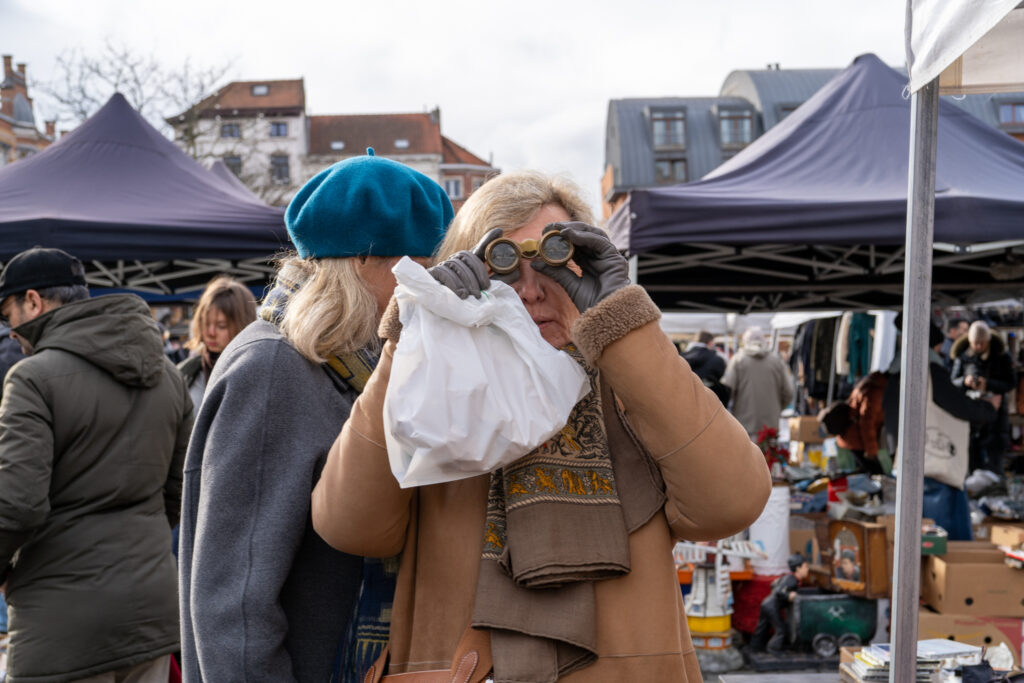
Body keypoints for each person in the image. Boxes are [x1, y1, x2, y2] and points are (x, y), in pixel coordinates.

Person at [311, 170, 771, 682]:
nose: (530, 292)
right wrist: (415, 334)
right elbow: (350, 525)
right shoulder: (440, 397)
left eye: (555, 261)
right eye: (502, 267)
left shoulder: (631, 382)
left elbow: (732, 502)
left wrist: (623, 326)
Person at [178, 152, 453, 683]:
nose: (429, 289)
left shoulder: (347, 365)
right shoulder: (275, 368)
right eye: (416, 269)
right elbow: (232, 605)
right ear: (360, 263)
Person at [0, 246, 193, 682]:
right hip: (151, 609)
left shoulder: (31, 379)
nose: (10, 330)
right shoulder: (168, 374)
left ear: (33, 301)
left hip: (61, 619)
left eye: (7, 312)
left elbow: (16, 506)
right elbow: (181, 488)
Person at [883, 317, 999, 539]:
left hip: (907, 460)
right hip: (932, 466)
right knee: (941, 540)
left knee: (917, 536)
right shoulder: (929, 371)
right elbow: (957, 404)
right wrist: (988, 408)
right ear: (934, 346)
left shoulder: (898, 372)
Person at [176, 275, 257, 409]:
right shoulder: (186, 373)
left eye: (222, 325)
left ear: (242, 325)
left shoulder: (257, 374)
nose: (211, 332)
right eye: (206, 323)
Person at [950, 320, 1016, 482]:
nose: (978, 346)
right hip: (972, 415)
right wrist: (966, 382)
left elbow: (1011, 382)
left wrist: (989, 385)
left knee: (993, 463)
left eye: (982, 343)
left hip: (996, 416)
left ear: (988, 341)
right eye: (975, 343)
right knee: (971, 458)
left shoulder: (1001, 357)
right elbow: (952, 383)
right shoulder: (963, 356)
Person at [722, 326, 794, 440]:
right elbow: (788, 392)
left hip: (744, 425)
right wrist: (776, 409)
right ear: (763, 340)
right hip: (771, 426)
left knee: (745, 458)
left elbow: (727, 391)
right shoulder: (776, 361)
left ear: (745, 341)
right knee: (769, 457)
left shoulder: (738, 360)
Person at [750, 553, 808, 654]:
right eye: (805, 566)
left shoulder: (789, 578)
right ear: (798, 568)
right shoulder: (792, 579)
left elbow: (773, 584)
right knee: (781, 629)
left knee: (763, 627)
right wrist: (788, 595)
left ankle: (754, 648)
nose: (807, 569)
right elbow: (778, 591)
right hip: (771, 606)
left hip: (767, 604)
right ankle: (773, 649)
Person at [836, 371, 888, 475]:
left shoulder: (867, 384)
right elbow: (867, 423)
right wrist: (871, 450)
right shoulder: (875, 393)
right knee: (876, 476)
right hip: (856, 439)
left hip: (851, 437)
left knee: (868, 475)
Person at [682, 329, 730, 405]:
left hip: (685, 401)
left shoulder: (681, 358)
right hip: (711, 403)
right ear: (711, 343)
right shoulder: (718, 359)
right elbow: (724, 379)